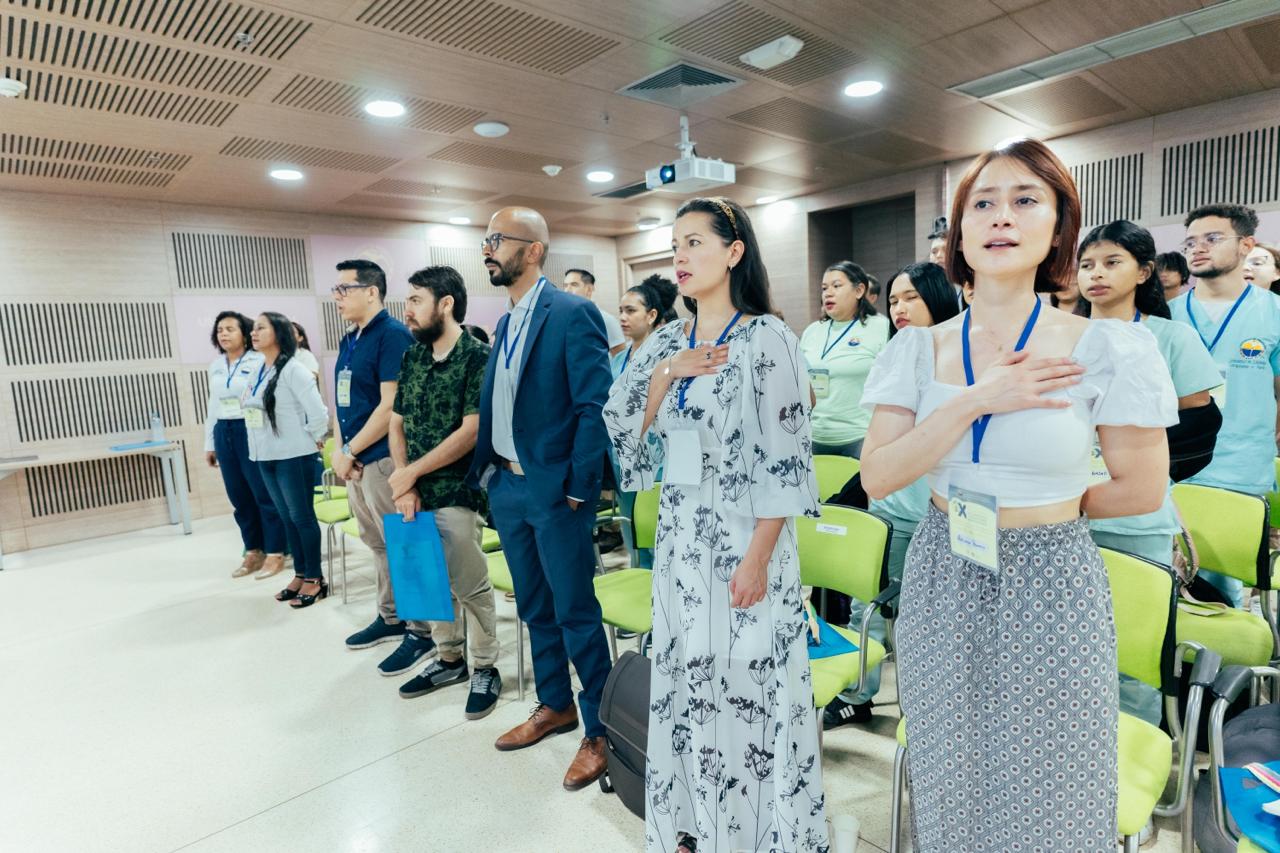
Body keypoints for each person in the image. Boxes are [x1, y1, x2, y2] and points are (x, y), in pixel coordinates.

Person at [860, 138, 1175, 851]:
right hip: (943, 564)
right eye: (983, 203)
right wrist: (976, 399)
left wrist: (1057, 502)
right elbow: (878, 476)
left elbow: (1142, 486)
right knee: (949, 769)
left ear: (1058, 226)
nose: (1002, 217)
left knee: (1054, 779)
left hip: (1052, 572)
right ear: (960, 232)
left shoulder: (1107, 347)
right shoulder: (914, 348)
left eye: (1026, 200)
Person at [605, 196, 828, 853]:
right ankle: (695, 827)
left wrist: (758, 558)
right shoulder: (670, 340)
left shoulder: (769, 338)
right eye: (675, 243)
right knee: (689, 687)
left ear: (735, 252)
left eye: (696, 242)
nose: (680, 254)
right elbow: (625, 429)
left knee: (747, 688)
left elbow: (788, 460)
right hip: (680, 540)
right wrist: (667, 372)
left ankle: (761, 834)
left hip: (743, 542)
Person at [466, 207, 615, 792]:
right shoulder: (504, 323)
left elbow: (592, 406)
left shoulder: (573, 313)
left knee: (575, 610)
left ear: (533, 250)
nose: (487, 249)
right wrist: (492, 477)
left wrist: (580, 486)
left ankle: (601, 729)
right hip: (507, 485)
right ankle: (555, 704)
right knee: (533, 605)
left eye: (496, 240)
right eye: (485, 239)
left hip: (555, 492)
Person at [1077, 219, 1221, 725]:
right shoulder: (1063, 337)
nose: (1096, 274)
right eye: (1087, 264)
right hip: (1066, 517)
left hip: (1138, 519)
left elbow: (1198, 430)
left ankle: (1133, 765)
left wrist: (1139, 467)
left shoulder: (1169, 338)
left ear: (1144, 271)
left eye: (1112, 262)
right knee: (1074, 653)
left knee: (1134, 657)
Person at [823, 261, 959, 729]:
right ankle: (859, 692)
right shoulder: (895, 350)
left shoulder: (958, 351)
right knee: (868, 602)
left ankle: (929, 708)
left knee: (925, 618)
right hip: (888, 503)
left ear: (938, 298)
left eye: (912, 299)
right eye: (894, 299)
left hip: (938, 510)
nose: (899, 308)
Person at [387, 265, 503, 718]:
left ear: (446, 303)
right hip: (412, 491)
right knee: (427, 581)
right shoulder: (412, 357)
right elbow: (397, 422)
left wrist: (409, 473)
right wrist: (404, 481)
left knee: (469, 585)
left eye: (416, 300)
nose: (408, 310)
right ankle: (449, 658)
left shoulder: (477, 356)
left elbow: (471, 430)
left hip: (457, 491)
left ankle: (487, 666)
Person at [1169, 204, 1280, 606]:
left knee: (1225, 587)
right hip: (1175, 467)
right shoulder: (1168, 316)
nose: (1198, 249)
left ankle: (1223, 668)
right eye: (1191, 242)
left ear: (1245, 244)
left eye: (1212, 239)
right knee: (1169, 579)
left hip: (1239, 466)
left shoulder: (1274, 314)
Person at [330, 261, 429, 671]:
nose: (337, 297)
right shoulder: (350, 339)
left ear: (372, 291)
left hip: (385, 459)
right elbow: (341, 400)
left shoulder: (392, 336)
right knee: (377, 545)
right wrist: (341, 452)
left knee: (406, 545)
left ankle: (422, 632)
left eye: (344, 288)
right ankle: (391, 616)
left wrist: (350, 449)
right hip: (356, 462)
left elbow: (392, 406)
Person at [242, 312, 330, 607]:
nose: (253, 333)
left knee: (302, 517)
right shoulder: (258, 369)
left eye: (261, 328)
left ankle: (316, 578)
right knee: (287, 518)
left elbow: (319, 414)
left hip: (294, 455)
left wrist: (310, 439)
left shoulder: (295, 369)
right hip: (265, 455)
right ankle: (301, 573)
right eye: (253, 328)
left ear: (279, 333)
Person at [203, 311, 287, 579]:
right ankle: (253, 550)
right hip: (224, 430)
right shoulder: (216, 365)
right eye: (219, 330)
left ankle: (276, 552)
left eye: (230, 329)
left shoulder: (259, 360)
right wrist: (210, 442)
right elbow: (212, 406)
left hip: (250, 428)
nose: (223, 334)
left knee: (263, 495)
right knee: (239, 497)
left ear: (244, 333)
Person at [609, 274, 678, 570]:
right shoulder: (618, 359)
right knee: (633, 536)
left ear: (652, 316)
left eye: (631, 311)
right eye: (621, 311)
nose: (623, 317)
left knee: (660, 537)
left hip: (659, 461)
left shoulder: (668, 354)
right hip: (623, 459)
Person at [799, 261, 890, 458]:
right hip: (814, 436)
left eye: (836, 286)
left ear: (859, 291)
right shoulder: (812, 331)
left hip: (860, 436)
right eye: (824, 288)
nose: (827, 293)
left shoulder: (881, 328)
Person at [564, 268, 627, 357]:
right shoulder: (564, 318)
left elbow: (621, 358)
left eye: (574, 285)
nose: (567, 290)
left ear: (589, 289)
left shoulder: (606, 320)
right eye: (565, 285)